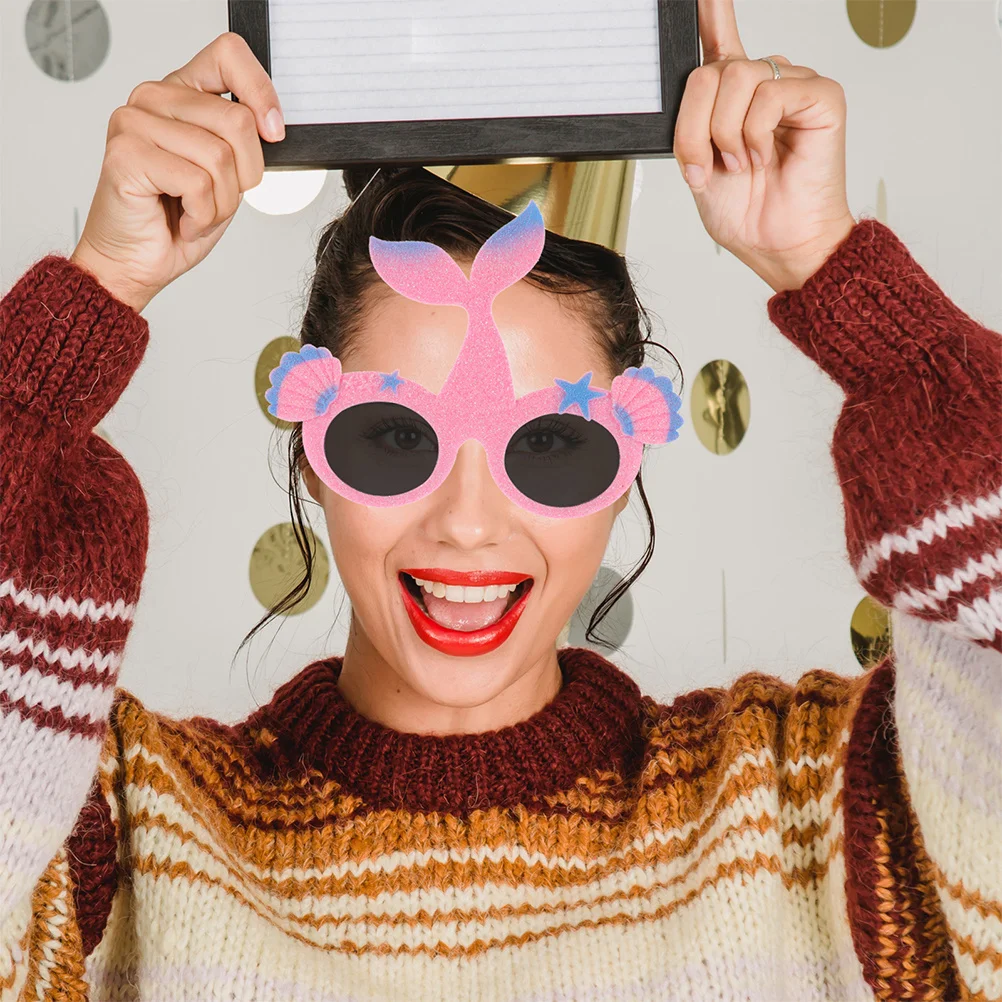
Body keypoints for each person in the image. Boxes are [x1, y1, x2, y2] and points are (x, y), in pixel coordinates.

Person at [1, 1, 999, 998]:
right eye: (393, 439)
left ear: (628, 461)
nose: (468, 522)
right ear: (310, 450)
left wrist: (840, 278)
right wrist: (97, 287)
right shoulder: (121, 844)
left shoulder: (821, 813)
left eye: (553, 447)